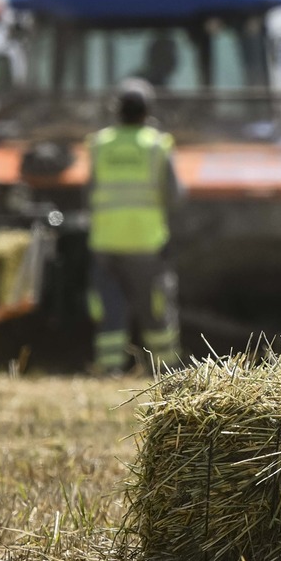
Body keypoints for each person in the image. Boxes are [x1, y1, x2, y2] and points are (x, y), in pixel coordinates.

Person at [86, 79, 182, 373]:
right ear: (147, 111)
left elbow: (89, 192)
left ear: (116, 111)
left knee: (110, 311)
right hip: (146, 245)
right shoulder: (157, 145)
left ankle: (109, 371)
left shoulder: (100, 144)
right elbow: (175, 195)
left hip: (105, 246)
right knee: (155, 311)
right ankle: (166, 372)